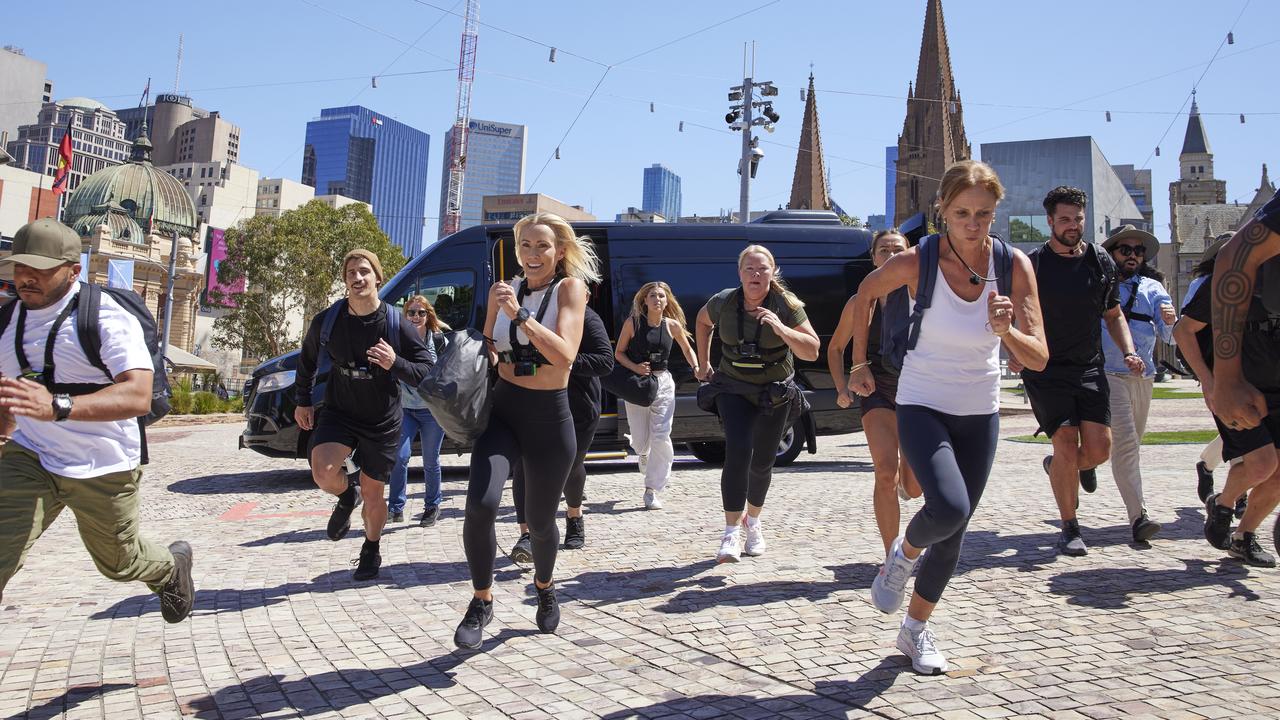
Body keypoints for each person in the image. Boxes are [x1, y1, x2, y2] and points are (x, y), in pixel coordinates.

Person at [849, 160, 1048, 674]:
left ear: (996, 212)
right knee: (949, 507)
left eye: (983, 213)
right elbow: (864, 295)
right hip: (921, 401)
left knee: (955, 529)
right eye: (962, 212)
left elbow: (1039, 357)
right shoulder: (918, 260)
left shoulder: (1014, 266)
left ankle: (914, 630)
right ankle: (903, 553)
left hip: (979, 410)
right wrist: (858, 362)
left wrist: (1005, 331)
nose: (973, 223)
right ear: (943, 211)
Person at [0, 219, 194, 622]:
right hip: (31, 455)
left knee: (119, 562)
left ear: (73, 271)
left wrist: (58, 406)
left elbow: (138, 394)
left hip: (102, 462)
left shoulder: (103, 317)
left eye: (39, 268)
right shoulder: (5, 322)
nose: (25, 277)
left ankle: (170, 568)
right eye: (20, 266)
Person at [454, 212, 598, 650]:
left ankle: (545, 586)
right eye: (525, 246)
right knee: (480, 504)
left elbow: (566, 356)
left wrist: (520, 317)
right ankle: (481, 600)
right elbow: (487, 353)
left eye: (542, 246)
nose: (532, 255)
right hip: (504, 410)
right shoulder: (505, 291)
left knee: (539, 522)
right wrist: (487, 336)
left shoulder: (570, 289)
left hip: (550, 417)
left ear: (559, 251)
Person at [1010, 187, 1144, 555]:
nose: (1073, 226)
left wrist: (1129, 351)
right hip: (1045, 369)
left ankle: (1059, 467)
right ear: (1050, 221)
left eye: (1078, 219)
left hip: (1088, 367)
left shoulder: (1100, 262)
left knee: (1100, 449)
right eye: (1065, 219)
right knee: (1067, 443)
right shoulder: (1032, 263)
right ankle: (1070, 527)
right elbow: (1016, 312)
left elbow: (1113, 314)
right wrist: (1015, 348)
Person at [293, 249, 433, 581]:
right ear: (345, 281)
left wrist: (394, 363)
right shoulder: (328, 320)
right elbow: (307, 361)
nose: (358, 277)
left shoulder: (397, 323)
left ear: (378, 278)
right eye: (351, 272)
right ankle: (345, 495)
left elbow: (426, 371)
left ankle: (371, 546)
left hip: (382, 419)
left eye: (364, 271)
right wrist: (302, 401)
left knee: (374, 491)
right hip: (340, 411)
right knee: (323, 472)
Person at [694, 245, 821, 563]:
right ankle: (729, 532)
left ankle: (754, 521)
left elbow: (812, 350)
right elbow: (701, 321)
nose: (755, 274)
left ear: (773, 271)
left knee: (763, 462)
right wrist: (703, 361)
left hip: (774, 393)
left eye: (762, 268)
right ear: (739, 273)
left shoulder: (787, 304)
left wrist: (780, 328)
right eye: (749, 269)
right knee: (737, 453)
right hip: (734, 388)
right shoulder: (723, 301)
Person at [828, 229, 922, 554]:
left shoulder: (920, 296)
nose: (892, 255)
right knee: (885, 472)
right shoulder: (860, 302)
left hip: (917, 391)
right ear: (874, 258)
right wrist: (843, 387)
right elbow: (836, 348)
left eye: (899, 249)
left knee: (914, 486)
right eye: (884, 250)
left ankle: (907, 485)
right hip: (877, 389)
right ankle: (891, 555)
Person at [1204, 188, 1280, 567]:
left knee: (1277, 474)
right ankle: (1222, 503)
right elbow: (1186, 331)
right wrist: (1220, 379)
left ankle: (1243, 535)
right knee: (1265, 464)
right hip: (1254, 368)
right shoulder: (1225, 277)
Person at [509, 302, 613, 560]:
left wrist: (561, 358)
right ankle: (527, 535)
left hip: (578, 405)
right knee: (524, 464)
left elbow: (604, 361)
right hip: (533, 399)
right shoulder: (529, 313)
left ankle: (574, 514)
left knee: (570, 465)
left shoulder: (586, 316)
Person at [1097, 225, 1176, 545]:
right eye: (1125, 250)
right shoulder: (1100, 285)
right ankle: (1138, 516)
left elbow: (1169, 337)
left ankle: (1070, 463)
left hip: (1143, 377)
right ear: (1113, 253)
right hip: (1109, 373)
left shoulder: (1154, 288)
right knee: (1127, 443)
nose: (1132, 255)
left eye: (1138, 251)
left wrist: (1171, 321)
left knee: (1124, 446)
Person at [1172, 234, 1252, 529]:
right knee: (1241, 434)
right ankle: (1236, 498)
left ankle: (1207, 465)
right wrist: (1206, 377)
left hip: (1252, 370)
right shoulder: (1204, 285)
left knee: (1244, 432)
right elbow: (1186, 329)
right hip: (1219, 371)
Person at [616, 282, 698, 510]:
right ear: (644, 300)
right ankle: (642, 453)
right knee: (642, 441)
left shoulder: (672, 326)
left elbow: (687, 348)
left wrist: (697, 367)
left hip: (662, 382)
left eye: (661, 296)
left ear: (667, 300)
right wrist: (635, 367)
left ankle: (651, 490)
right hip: (638, 383)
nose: (657, 299)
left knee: (661, 435)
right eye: (652, 296)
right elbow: (618, 353)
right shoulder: (632, 323)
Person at [387, 296, 446, 526]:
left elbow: (451, 370)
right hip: (406, 409)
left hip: (431, 410)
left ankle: (432, 506)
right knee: (399, 457)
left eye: (421, 313)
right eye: (411, 312)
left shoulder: (439, 342)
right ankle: (395, 507)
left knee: (431, 461)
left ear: (428, 315)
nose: (416, 317)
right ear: (405, 316)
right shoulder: (398, 341)